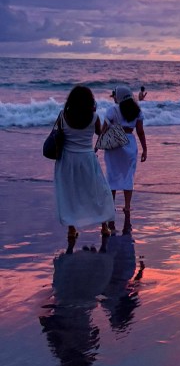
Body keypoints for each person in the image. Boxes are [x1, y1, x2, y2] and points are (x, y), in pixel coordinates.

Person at [54, 85, 114, 247]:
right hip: (87, 158)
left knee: (70, 193)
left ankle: (71, 229)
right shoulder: (94, 117)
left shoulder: (63, 116)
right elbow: (99, 132)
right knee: (98, 191)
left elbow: (58, 133)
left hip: (68, 159)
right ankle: (104, 226)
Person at [102, 85, 147, 233]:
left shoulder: (112, 110)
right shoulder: (137, 111)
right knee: (128, 176)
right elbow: (140, 131)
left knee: (112, 175)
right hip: (129, 143)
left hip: (114, 143)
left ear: (119, 97)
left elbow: (103, 129)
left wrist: (98, 145)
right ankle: (127, 206)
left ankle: (111, 206)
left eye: (115, 95)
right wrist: (145, 149)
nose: (114, 98)